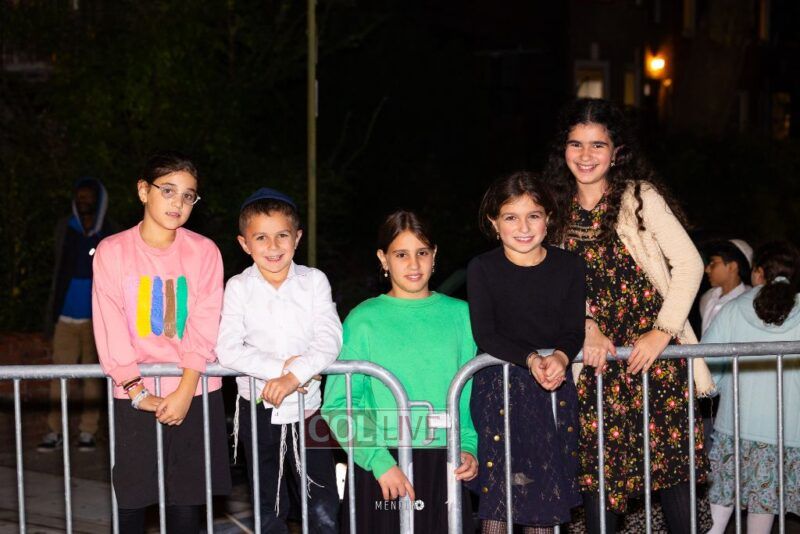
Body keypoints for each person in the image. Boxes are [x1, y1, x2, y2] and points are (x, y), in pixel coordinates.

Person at [544, 97, 712, 534]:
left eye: (597, 145)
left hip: (654, 360)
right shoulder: (553, 208)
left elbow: (689, 264)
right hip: (597, 365)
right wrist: (586, 327)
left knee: (675, 479)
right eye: (576, 144)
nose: (585, 155)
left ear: (616, 151)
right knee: (600, 482)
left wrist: (662, 332)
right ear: (563, 150)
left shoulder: (640, 197)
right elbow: (551, 285)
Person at [91, 152, 231, 533]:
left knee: (186, 508)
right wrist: (136, 390)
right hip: (133, 395)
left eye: (188, 195)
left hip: (195, 391)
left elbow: (204, 323)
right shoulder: (112, 251)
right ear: (143, 190)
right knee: (131, 504)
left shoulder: (205, 252)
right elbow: (109, 324)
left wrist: (185, 391)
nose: (178, 203)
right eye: (168, 190)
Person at [321, 210, 479, 533]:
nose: (414, 264)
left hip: (445, 463)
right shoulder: (363, 320)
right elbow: (338, 405)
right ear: (383, 258)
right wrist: (379, 461)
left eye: (422, 252)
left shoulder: (462, 316)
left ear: (434, 254)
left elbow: (470, 395)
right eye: (401, 254)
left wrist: (469, 447)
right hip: (381, 466)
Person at [216, 188, 342, 533]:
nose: (273, 246)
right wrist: (281, 372)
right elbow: (227, 348)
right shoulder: (238, 287)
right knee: (268, 503)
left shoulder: (314, 282)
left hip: (309, 408)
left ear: (297, 237)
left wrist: (294, 377)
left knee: (322, 501)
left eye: (282, 235)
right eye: (261, 237)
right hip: (257, 409)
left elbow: (330, 338)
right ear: (245, 244)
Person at [467, 172, 584, 534]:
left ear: (548, 218)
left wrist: (561, 357)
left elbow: (573, 330)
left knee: (543, 500)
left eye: (533, 215)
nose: (523, 227)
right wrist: (533, 359)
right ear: (494, 222)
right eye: (510, 217)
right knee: (499, 499)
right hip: (499, 394)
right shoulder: (482, 268)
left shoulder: (570, 266)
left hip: (551, 390)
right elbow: (486, 334)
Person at [703, 241, 800, 534]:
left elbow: (706, 371)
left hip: (734, 428)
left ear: (758, 273)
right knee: (762, 513)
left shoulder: (732, 309)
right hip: (786, 432)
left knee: (716, 517)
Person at [39, 177, 116, 452]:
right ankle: (54, 431)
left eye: (88, 197)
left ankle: (87, 432)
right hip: (65, 317)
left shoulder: (108, 231)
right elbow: (58, 270)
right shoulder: (66, 227)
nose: (83, 201)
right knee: (59, 377)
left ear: (98, 200)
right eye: (79, 196)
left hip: (96, 320)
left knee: (93, 378)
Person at [699, 239, 753, 335]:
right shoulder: (708, 298)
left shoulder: (749, 303)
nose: (707, 270)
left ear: (732, 267)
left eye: (713, 263)